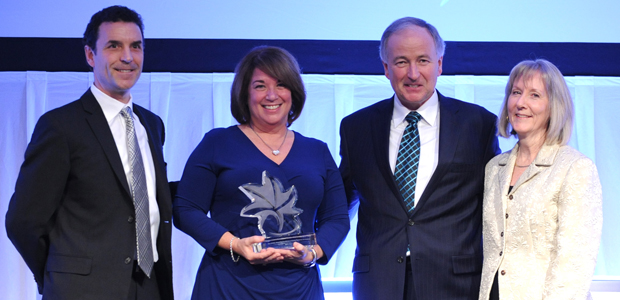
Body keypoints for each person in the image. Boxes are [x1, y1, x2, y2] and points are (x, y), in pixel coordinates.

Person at [5, 6, 174, 300]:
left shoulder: (151, 125)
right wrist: (60, 273)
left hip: (149, 287)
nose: (127, 57)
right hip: (81, 291)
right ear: (90, 56)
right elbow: (23, 222)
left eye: (136, 46)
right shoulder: (60, 126)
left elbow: (145, 199)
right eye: (113, 46)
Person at [339, 17, 500, 300]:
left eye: (423, 60)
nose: (413, 73)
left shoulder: (478, 124)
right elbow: (340, 203)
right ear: (386, 69)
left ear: (439, 64)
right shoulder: (356, 127)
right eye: (401, 62)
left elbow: (497, 206)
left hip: (456, 286)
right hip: (378, 284)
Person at [173, 46, 349, 300]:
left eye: (281, 85)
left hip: (300, 290)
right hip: (227, 287)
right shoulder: (217, 143)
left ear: (293, 93)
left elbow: (337, 218)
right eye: (259, 86)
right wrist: (235, 244)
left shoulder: (317, 151)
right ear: (244, 93)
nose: (271, 95)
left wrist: (314, 252)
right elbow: (185, 209)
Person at [479, 59, 603, 300]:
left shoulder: (575, 167)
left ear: (553, 107)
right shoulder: (494, 168)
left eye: (534, 95)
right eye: (516, 92)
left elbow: (574, 263)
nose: (520, 103)